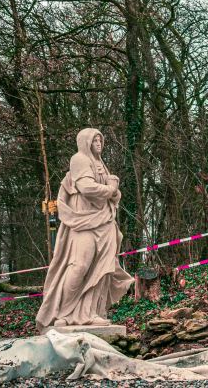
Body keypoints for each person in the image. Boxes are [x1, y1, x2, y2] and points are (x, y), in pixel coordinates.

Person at [36, 129, 133, 330]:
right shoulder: (79, 159)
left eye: (100, 140)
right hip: (83, 222)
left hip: (105, 223)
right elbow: (87, 188)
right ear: (85, 142)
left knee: (101, 269)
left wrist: (113, 191)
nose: (99, 143)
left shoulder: (102, 164)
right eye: (94, 140)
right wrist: (110, 189)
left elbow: (115, 196)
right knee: (79, 265)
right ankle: (62, 312)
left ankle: (91, 312)